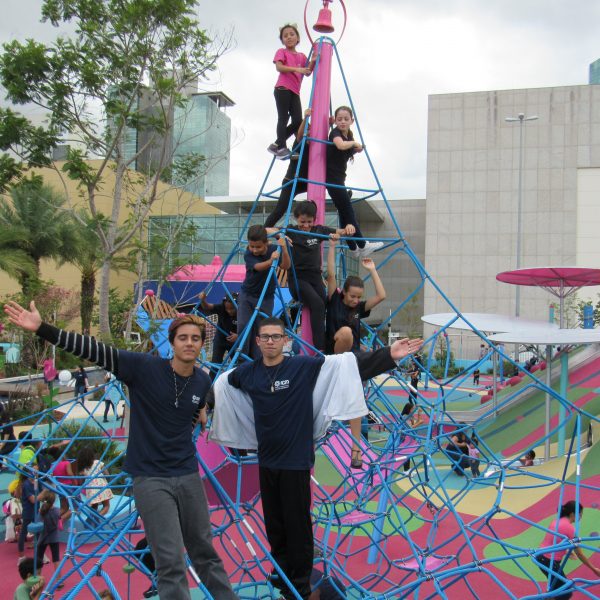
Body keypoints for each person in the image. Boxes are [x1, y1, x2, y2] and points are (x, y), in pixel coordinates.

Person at [3, 300, 238, 600]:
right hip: (152, 478)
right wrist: (42, 329)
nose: (189, 343)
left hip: (187, 473)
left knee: (205, 551)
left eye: (195, 338)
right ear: (172, 342)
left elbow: (198, 399)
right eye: (183, 338)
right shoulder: (144, 368)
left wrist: (202, 407)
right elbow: (94, 350)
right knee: (170, 561)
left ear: (202, 343)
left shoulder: (201, 380)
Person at [212, 316, 423, 600]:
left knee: (297, 525)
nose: (271, 341)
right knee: (275, 525)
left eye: (276, 336)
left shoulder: (301, 366)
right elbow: (221, 385)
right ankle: (283, 574)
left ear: (286, 340)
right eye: (266, 337)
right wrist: (200, 405)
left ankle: (300, 586)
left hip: (295, 462)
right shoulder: (247, 373)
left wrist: (388, 355)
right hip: (268, 461)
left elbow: (346, 365)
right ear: (258, 341)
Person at [326, 239, 386, 467]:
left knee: (356, 401)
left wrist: (372, 270)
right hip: (334, 356)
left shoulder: (359, 309)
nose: (355, 300)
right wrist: (332, 246)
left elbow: (381, 296)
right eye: (352, 296)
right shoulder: (334, 301)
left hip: (352, 361)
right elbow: (331, 275)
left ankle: (356, 450)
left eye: (358, 297)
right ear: (343, 293)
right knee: (346, 333)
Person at [268, 200, 354, 352]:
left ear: (314, 220)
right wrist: (280, 234)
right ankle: (320, 349)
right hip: (298, 279)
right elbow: (265, 230)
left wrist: (348, 228)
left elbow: (340, 231)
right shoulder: (292, 230)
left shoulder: (318, 230)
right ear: (296, 219)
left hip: (315, 278)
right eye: (302, 222)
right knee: (317, 304)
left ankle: (330, 341)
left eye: (309, 222)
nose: (306, 225)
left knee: (326, 304)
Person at [326, 106, 383, 258]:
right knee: (348, 211)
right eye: (339, 119)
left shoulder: (348, 135)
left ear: (352, 121)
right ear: (335, 121)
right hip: (332, 178)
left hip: (338, 178)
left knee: (344, 213)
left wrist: (358, 147)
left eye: (346, 119)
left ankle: (353, 247)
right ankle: (362, 245)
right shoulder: (335, 133)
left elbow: (352, 149)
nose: (342, 122)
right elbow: (340, 145)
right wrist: (354, 143)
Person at [237, 225, 290, 360]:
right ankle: (242, 358)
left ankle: (259, 358)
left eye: (258, 247)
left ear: (266, 243)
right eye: (252, 246)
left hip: (266, 297)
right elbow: (258, 267)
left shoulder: (274, 249)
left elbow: (285, 266)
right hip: (247, 295)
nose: (254, 250)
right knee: (243, 326)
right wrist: (271, 260)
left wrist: (283, 247)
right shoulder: (248, 253)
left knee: (263, 329)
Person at [535, 501, 600, 599]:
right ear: (573, 514)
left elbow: (552, 541)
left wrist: (565, 552)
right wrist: (594, 569)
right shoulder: (570, 528)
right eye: (580, 514)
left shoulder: (556, 521)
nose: (580, 517)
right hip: (549, 561)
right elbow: (580, 554)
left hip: (541, 557)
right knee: (565, 592)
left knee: (555, 589)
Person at [267, 23, 314, 160]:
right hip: (282, 88)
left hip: (295, 91)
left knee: (298, 120)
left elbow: (308, 72)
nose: (288, 37)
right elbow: (279, 67)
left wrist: (313, 60)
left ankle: (276, 143)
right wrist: (297, 69)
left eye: (292, 34)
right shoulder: (282, 52)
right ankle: (281, 147)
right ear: (282, 40)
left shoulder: (302, 56)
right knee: (283, 117)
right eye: (285, 36)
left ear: (298, 38)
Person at [265, 109, 312, 228]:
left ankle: (339, 196)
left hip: (305, 182)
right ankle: (264, 229)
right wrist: (306, 118)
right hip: (291, 181)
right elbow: (301, 135)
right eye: (307, 131)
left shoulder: (316, 146)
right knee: (281, 209)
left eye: (311, 131)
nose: (309, 133)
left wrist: (329, 124)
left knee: (325, 184)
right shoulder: (299, 143)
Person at [199, 291, 238, 380]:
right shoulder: (221, 308)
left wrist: (238, 336)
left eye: (232, 309)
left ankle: (236, 382)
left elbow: (249, 326)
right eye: (227, 309)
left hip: (235, 342)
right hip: (220, 340)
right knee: (215, 364)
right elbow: (206, 307)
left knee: (236, 364)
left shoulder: (243, 312)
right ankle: (211, 383)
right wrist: (203, 300)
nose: (229, 311)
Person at [36, 490, 63, 589]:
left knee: (39, 559)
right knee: (56, 559)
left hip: (43, 537)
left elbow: (38, 524)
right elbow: (59, 523)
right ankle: (59, 581)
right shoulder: (57, 511)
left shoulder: (42, 511)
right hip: (54, 537)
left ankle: (38, 580)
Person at [17, 467, 38, 562]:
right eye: (33, 471)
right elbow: (33, 500)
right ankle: (21, 557)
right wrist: (43, 495)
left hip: (34, 511)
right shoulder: (26, 484)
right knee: (24, 532)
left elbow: (37, 493)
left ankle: (40, 554)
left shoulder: (34, 482)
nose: (35, 472)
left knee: (38, 532)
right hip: (29, 512)